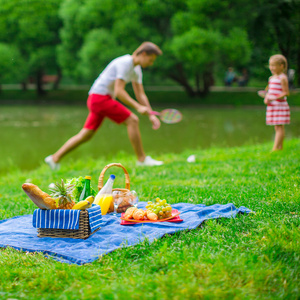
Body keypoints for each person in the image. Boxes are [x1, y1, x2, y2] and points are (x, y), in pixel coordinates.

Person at [45, 42, 164, 170]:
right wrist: (138, 107)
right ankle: (142, 160)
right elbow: (119, 91)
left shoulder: (136, 69)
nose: (151, 63)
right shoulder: (125, 63)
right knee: (133, 120)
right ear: (143, 54)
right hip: (99, 98)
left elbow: (141, 94)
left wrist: (151, 114)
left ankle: (54, 158)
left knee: (86, 134)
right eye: (150, 60)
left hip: (98, 98)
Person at [258, 54, 290, 151]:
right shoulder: (271, 78)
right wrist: (266, 98)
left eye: (273, 65)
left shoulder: (282, 78)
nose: (271, 67)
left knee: (280, 127)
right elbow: (268, 91)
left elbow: (286, 92)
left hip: (280, 105)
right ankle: (279, 147)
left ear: (281, 66)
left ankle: (276, 148)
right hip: (273, 106)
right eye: (270, 65)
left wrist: (274, 98)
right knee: (277, 127)